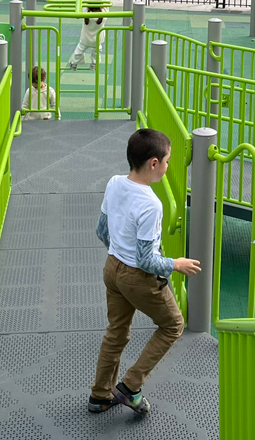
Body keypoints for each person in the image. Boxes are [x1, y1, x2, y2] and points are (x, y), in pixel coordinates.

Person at [88, 128, 201, 415]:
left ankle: (100, 395)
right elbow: (147, 260)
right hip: (138, 279)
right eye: (167, 161)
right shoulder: (151, 205)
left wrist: (118, 255)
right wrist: (176, 264)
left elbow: (102, 230)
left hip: (112, 268)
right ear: (153, 163)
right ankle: (130, 385)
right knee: (172, 325)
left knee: (116, 332)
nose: (167, 166)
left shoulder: (115, 183)